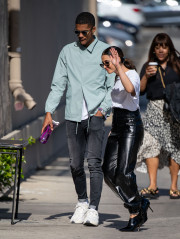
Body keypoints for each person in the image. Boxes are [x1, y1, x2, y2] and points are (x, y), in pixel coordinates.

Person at [41, 12, 114, 227]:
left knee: (94, 163)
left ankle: (93, 209)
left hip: (96, 116)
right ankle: (82, 202)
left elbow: (111, 85)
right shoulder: (67, 52)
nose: (80, 35)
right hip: (73, 116)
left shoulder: (105, 52)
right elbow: (58, 85)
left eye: (84, 32)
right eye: (77, 32)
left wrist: (103, 109)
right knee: (74, 164)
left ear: (93, 30)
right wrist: (48, 111)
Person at [101, 46, 151, 232]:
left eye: (107, 63)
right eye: (103, 63)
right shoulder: (115, 77)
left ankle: (134, 213)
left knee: (123, 172)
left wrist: (119, 66)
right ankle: (138, 202)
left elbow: (130, 90)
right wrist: (112, 129)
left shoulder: (131, 75)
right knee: (107, 172)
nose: (104, 66)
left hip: (131, 126)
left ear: (117, 60)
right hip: (117, 127)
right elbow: (116, 105)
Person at [137, 33, 180, 199]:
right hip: (154, 108)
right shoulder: (148, 65)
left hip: (174, 111)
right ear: (153, 49)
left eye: (164, 46)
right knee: (150, 144)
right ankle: (153, 185)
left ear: (169, 48)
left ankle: (174, 187)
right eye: (157, 46)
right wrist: (146, 76)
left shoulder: (177, 64)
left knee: (174, 147)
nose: (161, 50)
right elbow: (141, 90)